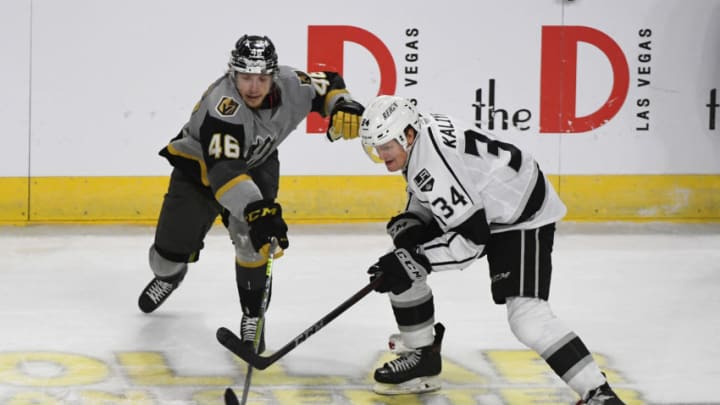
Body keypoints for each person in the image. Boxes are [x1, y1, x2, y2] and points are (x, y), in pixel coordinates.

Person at [358, 95, 625, 404]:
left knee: (528, 318)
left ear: (407, 135)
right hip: (486, 205)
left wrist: (416, 260)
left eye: (386, 146)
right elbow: (430, 187)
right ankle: (423, 357)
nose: (381, 155)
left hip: (522, 214)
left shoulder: (432, 160)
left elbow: (472, 241)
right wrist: (415, 218)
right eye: (375, 148)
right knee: (401, 258)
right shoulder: (418, 135)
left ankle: (599, 393)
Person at [137, 35, 364, 353]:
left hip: (256, 164)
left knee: (254, 240)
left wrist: (343, 104)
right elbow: (225, 172)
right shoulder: (224, 107)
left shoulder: (292, 83)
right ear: (233, 74)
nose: (254, 87)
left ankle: (253, 315)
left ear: (273, 75)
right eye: (245, 77)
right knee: (164, 258)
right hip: (200, 171)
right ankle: (171, 274)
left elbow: (328, 84)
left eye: (261, 78)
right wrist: (258, 210)